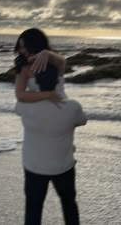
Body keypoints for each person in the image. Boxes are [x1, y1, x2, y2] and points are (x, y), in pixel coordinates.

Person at [15, 63, 87, 225]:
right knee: (69, 205)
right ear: (58, 80)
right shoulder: (72, 107)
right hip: (64, 166)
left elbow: (19, 100)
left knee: (33, 209)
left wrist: (30, 86)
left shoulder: (25, 106)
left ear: (36, 80)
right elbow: (83, 121)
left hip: (34, 167)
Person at [14, 28, 67, 103]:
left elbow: (62, 61)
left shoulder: (55, 62)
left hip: (62, 106)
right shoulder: (24, 67)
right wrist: (48, 94)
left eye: (26, 47)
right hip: (39, 110)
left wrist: (46, 53)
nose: (23, 51)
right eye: (20, 47)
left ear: (36, 44)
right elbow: (20, 95)